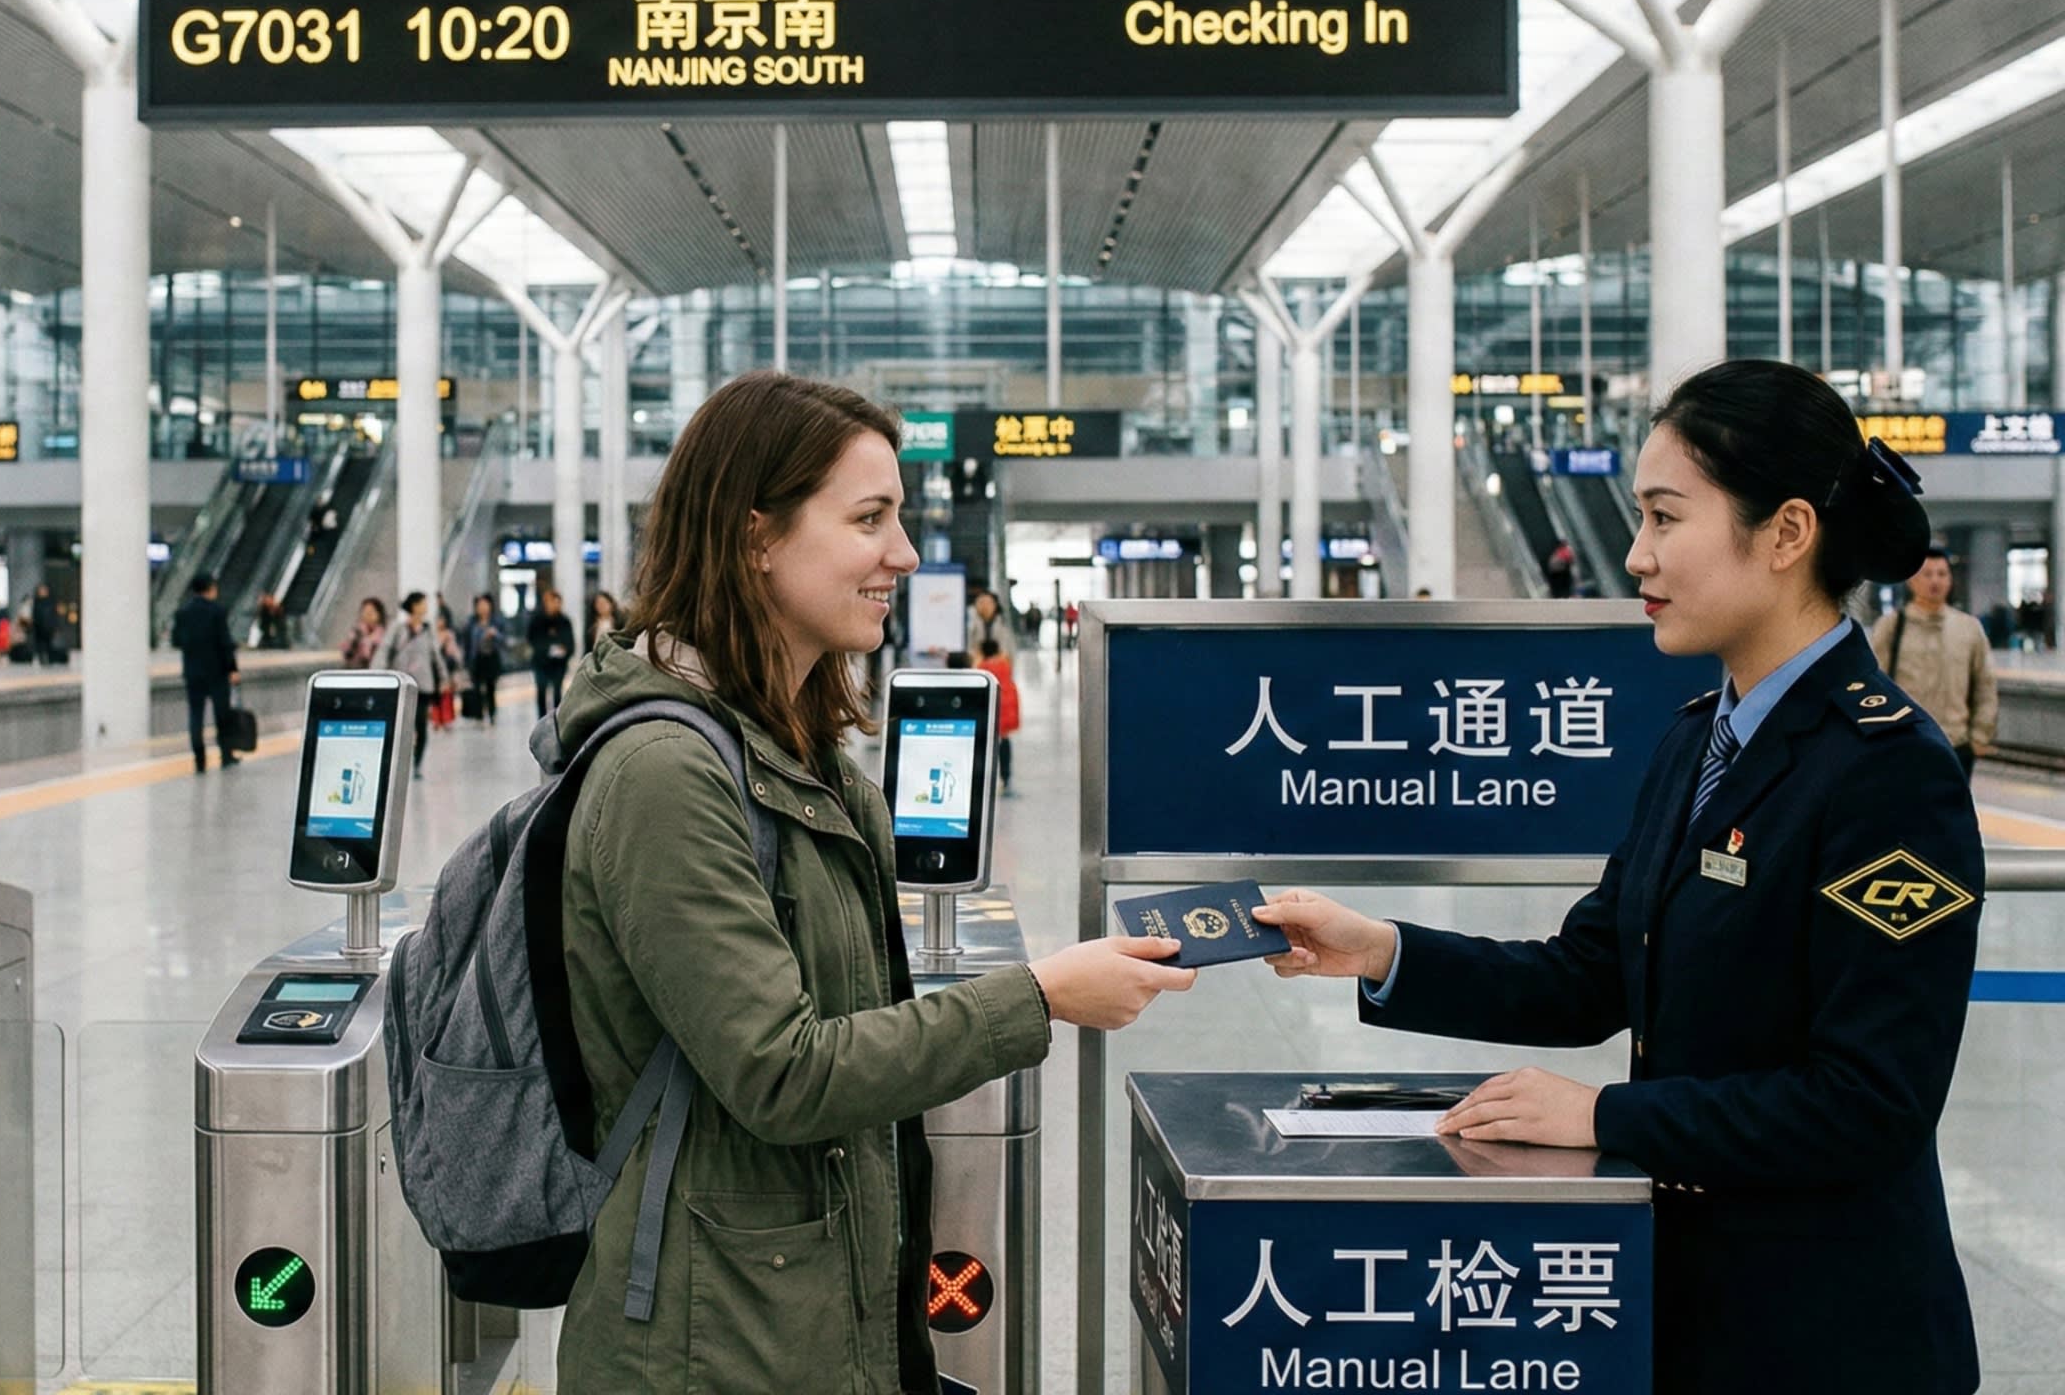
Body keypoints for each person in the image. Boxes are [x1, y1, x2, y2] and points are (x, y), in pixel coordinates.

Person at [1254, 360, 1978, 1395]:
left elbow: (1869, 1102)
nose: (1634, 554)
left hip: (1830, 1334)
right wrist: (1382, 951)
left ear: (1783, 535)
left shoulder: (1885, 771)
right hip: (1686, 1309)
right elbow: (1591, 970)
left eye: (1663, 517)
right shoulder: (1695, 742)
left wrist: (1603, 1118)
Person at [551, 371, 1196, 1392]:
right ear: (754, 534)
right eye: (868, 519)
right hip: (707, 1343)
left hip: (801, 1316)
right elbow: (780, 1070)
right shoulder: (664, 774)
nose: (902, 553)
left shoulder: (799, 752)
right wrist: (1038, 997)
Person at [1872, 545, 1998, 779]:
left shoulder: (1968, 628)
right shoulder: (1891, 627)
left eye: (1942, 574)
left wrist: (1980, 736)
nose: (1935, 581)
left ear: (1950, 580)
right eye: (1927, 574)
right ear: (1911, 581)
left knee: (1954, 814)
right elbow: (1876, 683)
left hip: (1956, 745)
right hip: (1905, 743)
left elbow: (1984, 683)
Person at [171, 573, 241, 773]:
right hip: (217, 672)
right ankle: (226, 755)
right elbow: (225, 643)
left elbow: (176, 640)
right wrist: (233, 669)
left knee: (196, 716)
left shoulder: (183, 613)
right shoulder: (217, 611)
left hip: (193, 673)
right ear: (210, 588)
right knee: (222, 715)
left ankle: (199, 760)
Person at [381, 592, 451, 776]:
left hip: (423, 686)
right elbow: (384, 651)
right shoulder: (398, 629)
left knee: (421, 725)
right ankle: (400, 761)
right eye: (422, 603)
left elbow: (436, 657)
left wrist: (444, 678)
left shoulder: (428, 631)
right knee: (402, 726)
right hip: (401, 685)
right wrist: (378, 675)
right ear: (414, 606)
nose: (425, 606)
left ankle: (417, 763)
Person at [975, 635, 1020, 793]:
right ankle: (1006, 776)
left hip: (991, 710)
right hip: (1006, 710)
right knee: (1004, 741)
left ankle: (986, 778)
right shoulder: (1004, 664)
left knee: (986, 745)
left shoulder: (982, 668)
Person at [526, 586, 576, 719]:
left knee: (557, 691)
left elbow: (570, 643)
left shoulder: (564, 621)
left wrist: (564, 650)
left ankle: (556, 718)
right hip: (541, 662)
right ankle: (541, 718)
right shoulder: (537, 620)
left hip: (558, 663)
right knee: (541, 690)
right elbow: (532, 639)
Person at [462, 593, 506, 726]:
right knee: (476, 689)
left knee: (490, 688)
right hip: (477, 659)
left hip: (491, 659)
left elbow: (504, 640)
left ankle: (492, 714)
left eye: (485, 605)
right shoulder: (471, 623)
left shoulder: (497, 621)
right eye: (480, 605)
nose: (482, 608)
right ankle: (479, 715)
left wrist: (495, 634)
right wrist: (466, 662)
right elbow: (467, 643)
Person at [341, 596, 388, 670]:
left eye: (371, 611)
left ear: (379, 614)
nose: (368, 614)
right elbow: (347, 654)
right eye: (365, 611)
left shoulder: (386, 635)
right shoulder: (356, 631)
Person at [30, 583, 64, 665]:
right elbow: (34, 614)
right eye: (41, 590)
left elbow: (55, 615)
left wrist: (56, 626)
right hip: (39, 627)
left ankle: (50, 659)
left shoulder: (51, 602)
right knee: (40, 645)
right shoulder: (36, 602)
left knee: (49, 644)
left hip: (49, 627)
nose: (43, 592)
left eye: (44, 590)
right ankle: (42, 659)